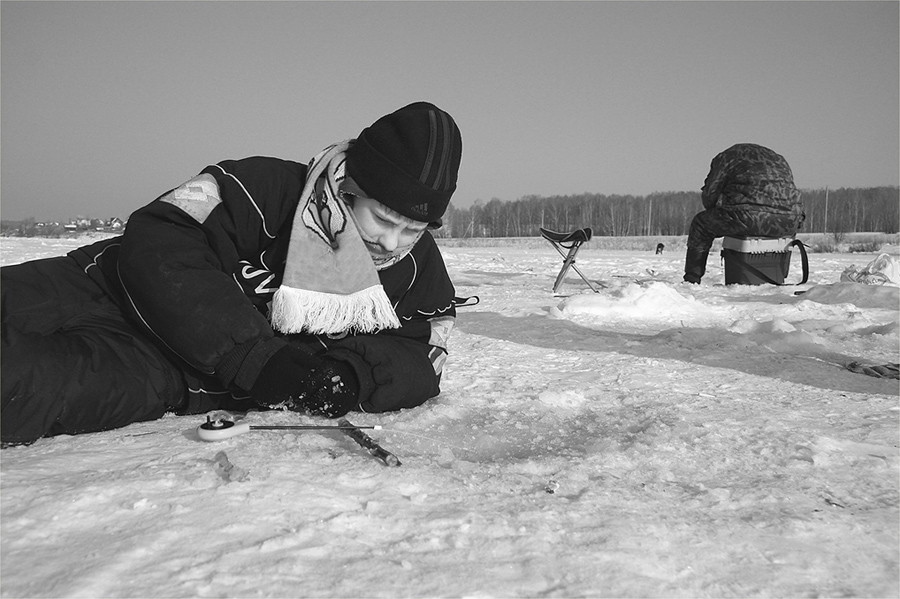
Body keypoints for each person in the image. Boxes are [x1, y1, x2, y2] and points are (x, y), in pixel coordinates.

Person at [1, 101, 463, 446]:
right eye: (383, 219)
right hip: (97, 285)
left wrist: (347, 377)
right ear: (349, 189)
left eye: (414, 228)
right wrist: (254, 354)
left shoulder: (418, 270)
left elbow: (424, 356)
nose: (392, 242)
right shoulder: (259, 187)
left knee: (21, 387)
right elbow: (162, 233)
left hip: (163, 369)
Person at [683, 143, 805, 284]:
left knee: (701, 223)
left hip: (747, 218)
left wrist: (718, 207)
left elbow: (710, 194)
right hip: (790, 220)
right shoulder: (779, 159)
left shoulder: (726, 157)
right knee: (783, 224)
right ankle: (780, 273)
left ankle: (692, 279)